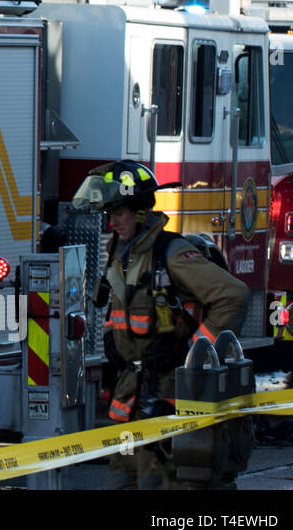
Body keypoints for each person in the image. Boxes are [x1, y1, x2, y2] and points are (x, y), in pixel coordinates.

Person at [74, 160, 247, 490]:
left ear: (140, 212)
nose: (111, 222)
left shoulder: (171, 253)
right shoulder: (120, 251)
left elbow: (232, 295)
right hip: (129, 397)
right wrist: (111, 338)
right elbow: (121, 305)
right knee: (119, 483)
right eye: (108, 214)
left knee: (157, 484)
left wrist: (194, 354)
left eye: (119, 213)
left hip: (165, 393)